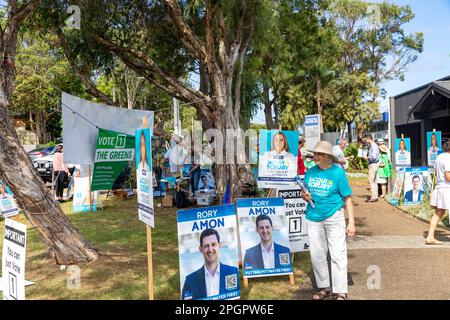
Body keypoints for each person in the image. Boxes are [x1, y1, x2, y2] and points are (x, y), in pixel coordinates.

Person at [302, 141, 355, 300]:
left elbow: (348, 197)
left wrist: (351, 221)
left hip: (334, 216)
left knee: (337, 254)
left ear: (327, 156)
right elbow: (305, 192)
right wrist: (304, 196)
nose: (315, 156)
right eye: (315, 154)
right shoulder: (310, 172)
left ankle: (340, 292)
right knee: (317, 255)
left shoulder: (338, 173)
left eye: (319, 154)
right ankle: (325, 287)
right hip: (313, 217)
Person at [182, 228, 239, 300]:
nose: (210, 249)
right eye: (206, 246)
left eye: (213, 244)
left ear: (220, 245)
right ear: (201, 249)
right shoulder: (190, 280)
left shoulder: (233, 272)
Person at [425, 140, 450, 245]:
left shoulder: (439, 157)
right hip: (447, 189)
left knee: (438, 213)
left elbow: (435, 173)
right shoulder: (448, 159)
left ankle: (430, 237)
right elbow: (448, 176)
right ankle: (430, 237)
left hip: (439, 188)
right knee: (440, 212)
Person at [364, 134, 380, 202]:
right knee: (374, 181)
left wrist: (366, 157)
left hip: (373, 164)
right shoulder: (373, 146)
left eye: (366, 139)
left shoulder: (373, 146)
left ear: (369, 139)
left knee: (371, 180)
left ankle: (374, 197)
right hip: (375, 164)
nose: (365, 141)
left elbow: (373, 157)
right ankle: (375, 196)